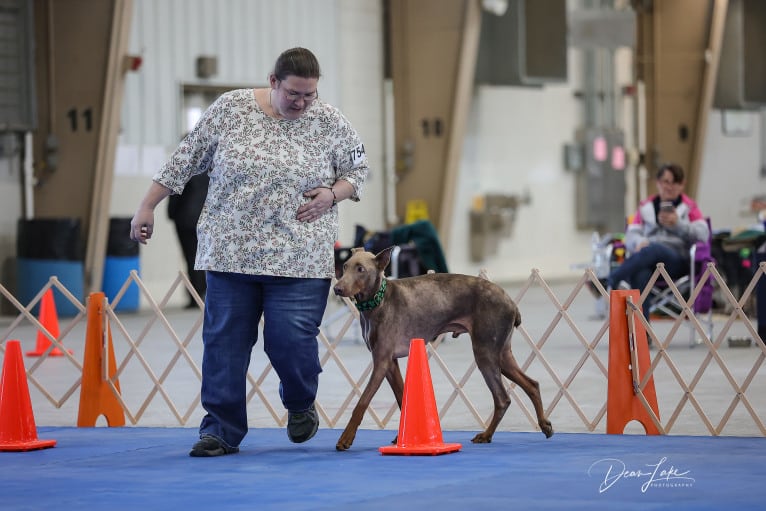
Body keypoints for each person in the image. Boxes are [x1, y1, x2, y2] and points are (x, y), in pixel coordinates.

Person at [129, 47, 370, 457]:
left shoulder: (329, 121)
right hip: (229, 253)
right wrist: (147, 205)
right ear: (273, 82)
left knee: (289, 341)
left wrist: (333, 194)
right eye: (294, 93)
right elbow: (185, 160)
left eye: (310, 94)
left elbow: (358, 171)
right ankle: (220, 430)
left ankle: (299, 402)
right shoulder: (231, 108)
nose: (302, 103)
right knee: (224, 343)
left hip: (299, 256)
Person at [598, 163, 709, 321]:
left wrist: (678, 225)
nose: (669, 187)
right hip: (648, 260)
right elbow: (631, 235)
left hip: (677, 261)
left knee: (654, 248)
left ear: (682, 184)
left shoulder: (690, 208)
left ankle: (612, 278)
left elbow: (703, 234)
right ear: (657, 183)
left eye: (675, 182)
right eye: (665, 181)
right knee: (641, 274)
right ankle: (643, 333)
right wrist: (639, 241)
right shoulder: (645, 207)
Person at [167, 172, 209, 308]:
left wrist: (171, 213)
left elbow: (175, 195)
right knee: (204, 258)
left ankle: (195, 295)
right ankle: (204, 293)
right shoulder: (212, 168)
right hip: (206, 219)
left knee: (191, 258)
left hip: (185, 219)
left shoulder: (187, 169)